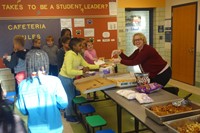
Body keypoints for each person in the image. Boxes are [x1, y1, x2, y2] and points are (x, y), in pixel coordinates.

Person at [16, 49, 68, 133]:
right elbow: (63, 103)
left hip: (34, 129)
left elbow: (23, 110)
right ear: (46, 64)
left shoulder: (23, 85)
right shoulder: (55, 81)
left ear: (28, 65)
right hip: (54, 127)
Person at [58, 38, 99, 123]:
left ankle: (68, 112)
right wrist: (81, 71)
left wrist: (99, 66)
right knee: (70, 97)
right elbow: (69, 71)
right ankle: (69, 116)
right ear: (74, 46)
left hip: (71, 78)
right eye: (79, 45)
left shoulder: (78, 55)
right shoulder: (69, 55)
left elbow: (86, 65)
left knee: (72, 96)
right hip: (65, 78)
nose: (82, 47)